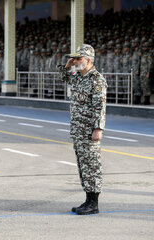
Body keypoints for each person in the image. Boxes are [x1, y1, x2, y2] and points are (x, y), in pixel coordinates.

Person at [57, 44, 107, 215]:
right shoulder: (79, 77)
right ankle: (88, 200)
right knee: (83, 166)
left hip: (89, 130)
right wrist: (67, 66)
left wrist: (97, 129)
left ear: (88, 60)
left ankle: (94, 203)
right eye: (75, 58)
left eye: (78, 58)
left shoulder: (97, 80)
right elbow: (64, 78)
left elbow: (100, 107)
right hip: (78, 130)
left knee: (92, 165)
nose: (75, 61)